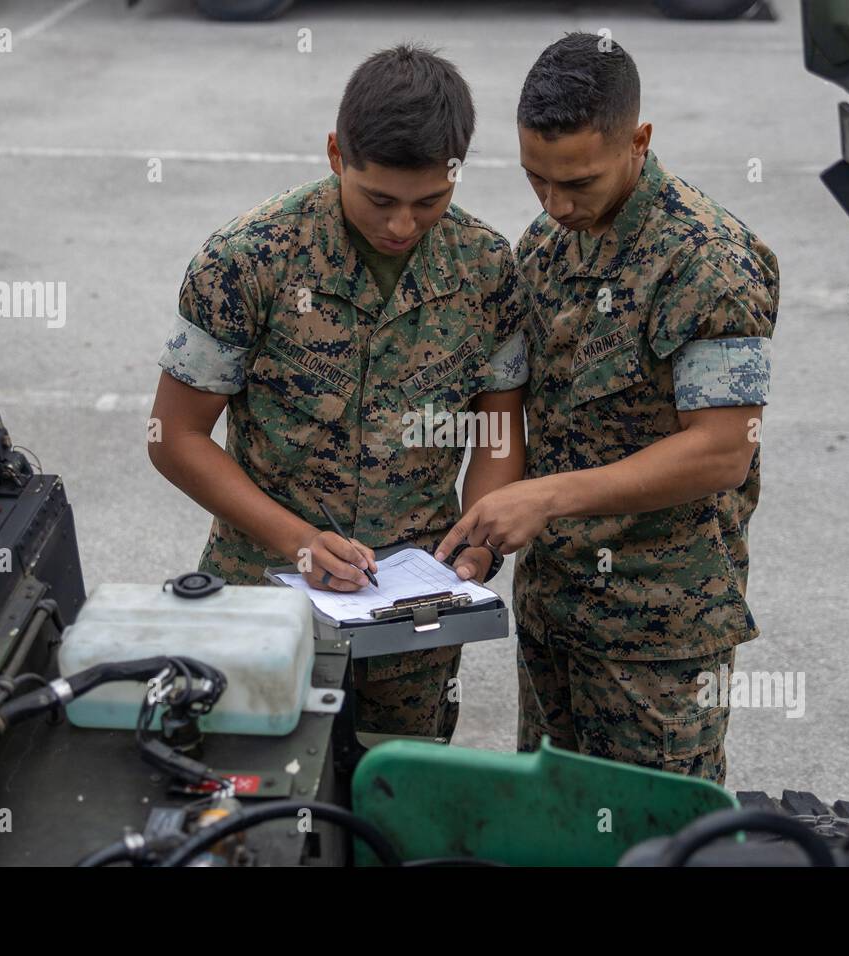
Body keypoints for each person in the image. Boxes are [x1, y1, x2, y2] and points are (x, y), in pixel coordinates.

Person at [149, 45, 529, 740]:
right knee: (262, 805)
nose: (402, 226)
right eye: (379, 199)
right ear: (335, 154)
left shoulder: (486, 268)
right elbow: (173, 437)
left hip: (415, 619)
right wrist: (296, 540)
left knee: (395, 805)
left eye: (430, 202)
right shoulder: (247, 259)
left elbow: (498, 433)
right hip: (267, 602)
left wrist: (479, 544)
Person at [436, 33, 779, 782]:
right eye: (536, 180)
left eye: (579, 183)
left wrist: (546, 498)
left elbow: (724, 448)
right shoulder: (548, 246)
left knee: (650, 838)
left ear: (639, 141)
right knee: (554, 824)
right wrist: (486, 531)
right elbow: (515, 408)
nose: (556, 204)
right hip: (555, 607)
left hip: (657, 629)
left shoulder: (708, 263)